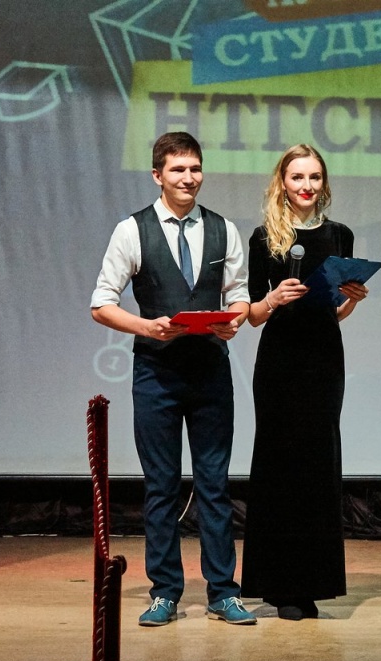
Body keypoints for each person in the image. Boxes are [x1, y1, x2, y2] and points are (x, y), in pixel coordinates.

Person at [90, 132, 257, 626]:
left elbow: (240, 295)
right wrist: (147, 327)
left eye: (195, 168)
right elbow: (101, 303)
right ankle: (164, 592)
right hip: (156, 374)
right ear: (157, 175)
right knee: (161, 486)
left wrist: (234, 320)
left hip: (210, 372)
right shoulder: (132, 230)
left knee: (214, 485)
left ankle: (223, 592)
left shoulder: (223, 229)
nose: (189, 178)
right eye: (178, 169)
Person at [239, 143, 369, 620]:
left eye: (314, 177)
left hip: (324, 361)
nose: (306, 186)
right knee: (279, 465)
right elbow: (253, 316)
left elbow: (333, 312)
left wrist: (352, 299)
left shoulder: (340, 235)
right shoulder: (264, 238)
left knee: (318, 465)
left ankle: (312, 583)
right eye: (298, 177)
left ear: (324, 182)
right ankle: (278, 585)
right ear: (283, 182)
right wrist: (274, 299)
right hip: (279, 361)